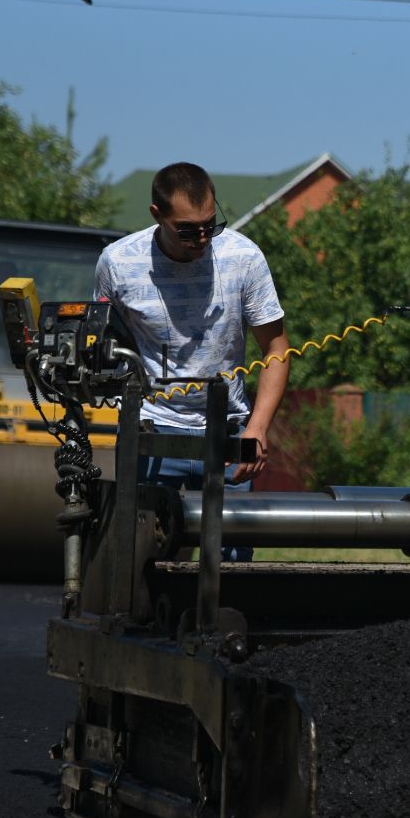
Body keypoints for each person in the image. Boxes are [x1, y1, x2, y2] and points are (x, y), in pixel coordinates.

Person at [94, 162, 291, 559]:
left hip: (229, 432)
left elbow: (277, 349)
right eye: (188, 229)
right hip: (152, 429)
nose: (202, 238)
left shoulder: (243, 258)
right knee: (140, 557)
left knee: (229, 563)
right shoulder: (118, 264)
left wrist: (258, 427)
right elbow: (104, 346)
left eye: (210, 225)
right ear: (157, 214)